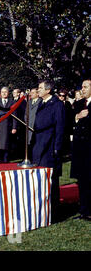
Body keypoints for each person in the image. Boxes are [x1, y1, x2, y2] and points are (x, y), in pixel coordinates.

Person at [32, 80, 65, 220]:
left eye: (40, 88)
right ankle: (42, 211)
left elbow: (60, 128)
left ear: (48, 90)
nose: (38, 90)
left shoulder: (57, 105)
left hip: (49, 147)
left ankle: (54, 213)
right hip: (39, 146)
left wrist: (57, 148)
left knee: (51, 181)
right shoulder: (42, 103)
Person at [70, 79, 91, 221]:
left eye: (85, 87)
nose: (82, 89)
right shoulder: (78, 104)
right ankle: (84, 210)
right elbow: (69, 120)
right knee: (82, 180)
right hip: (80, 149)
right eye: (82, 87)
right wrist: (78, 116)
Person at [0, 86, 17, 162]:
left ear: (8, 93)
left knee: (6, 145)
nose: (4, 93)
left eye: (6, 92)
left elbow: (15, 116)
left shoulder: (12, 102)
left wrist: (14, 127)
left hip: (8, 127)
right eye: (2, 92)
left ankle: (6, 160)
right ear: (0, 94)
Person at [26, 87, 41, 159]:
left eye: (33, 92)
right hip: (28, 126)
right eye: (30, 92)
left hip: (36, 127)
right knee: (28, 144)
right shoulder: (29, 102)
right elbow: (26, 114)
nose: (31, 94)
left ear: (37, 94)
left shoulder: (40, 102)